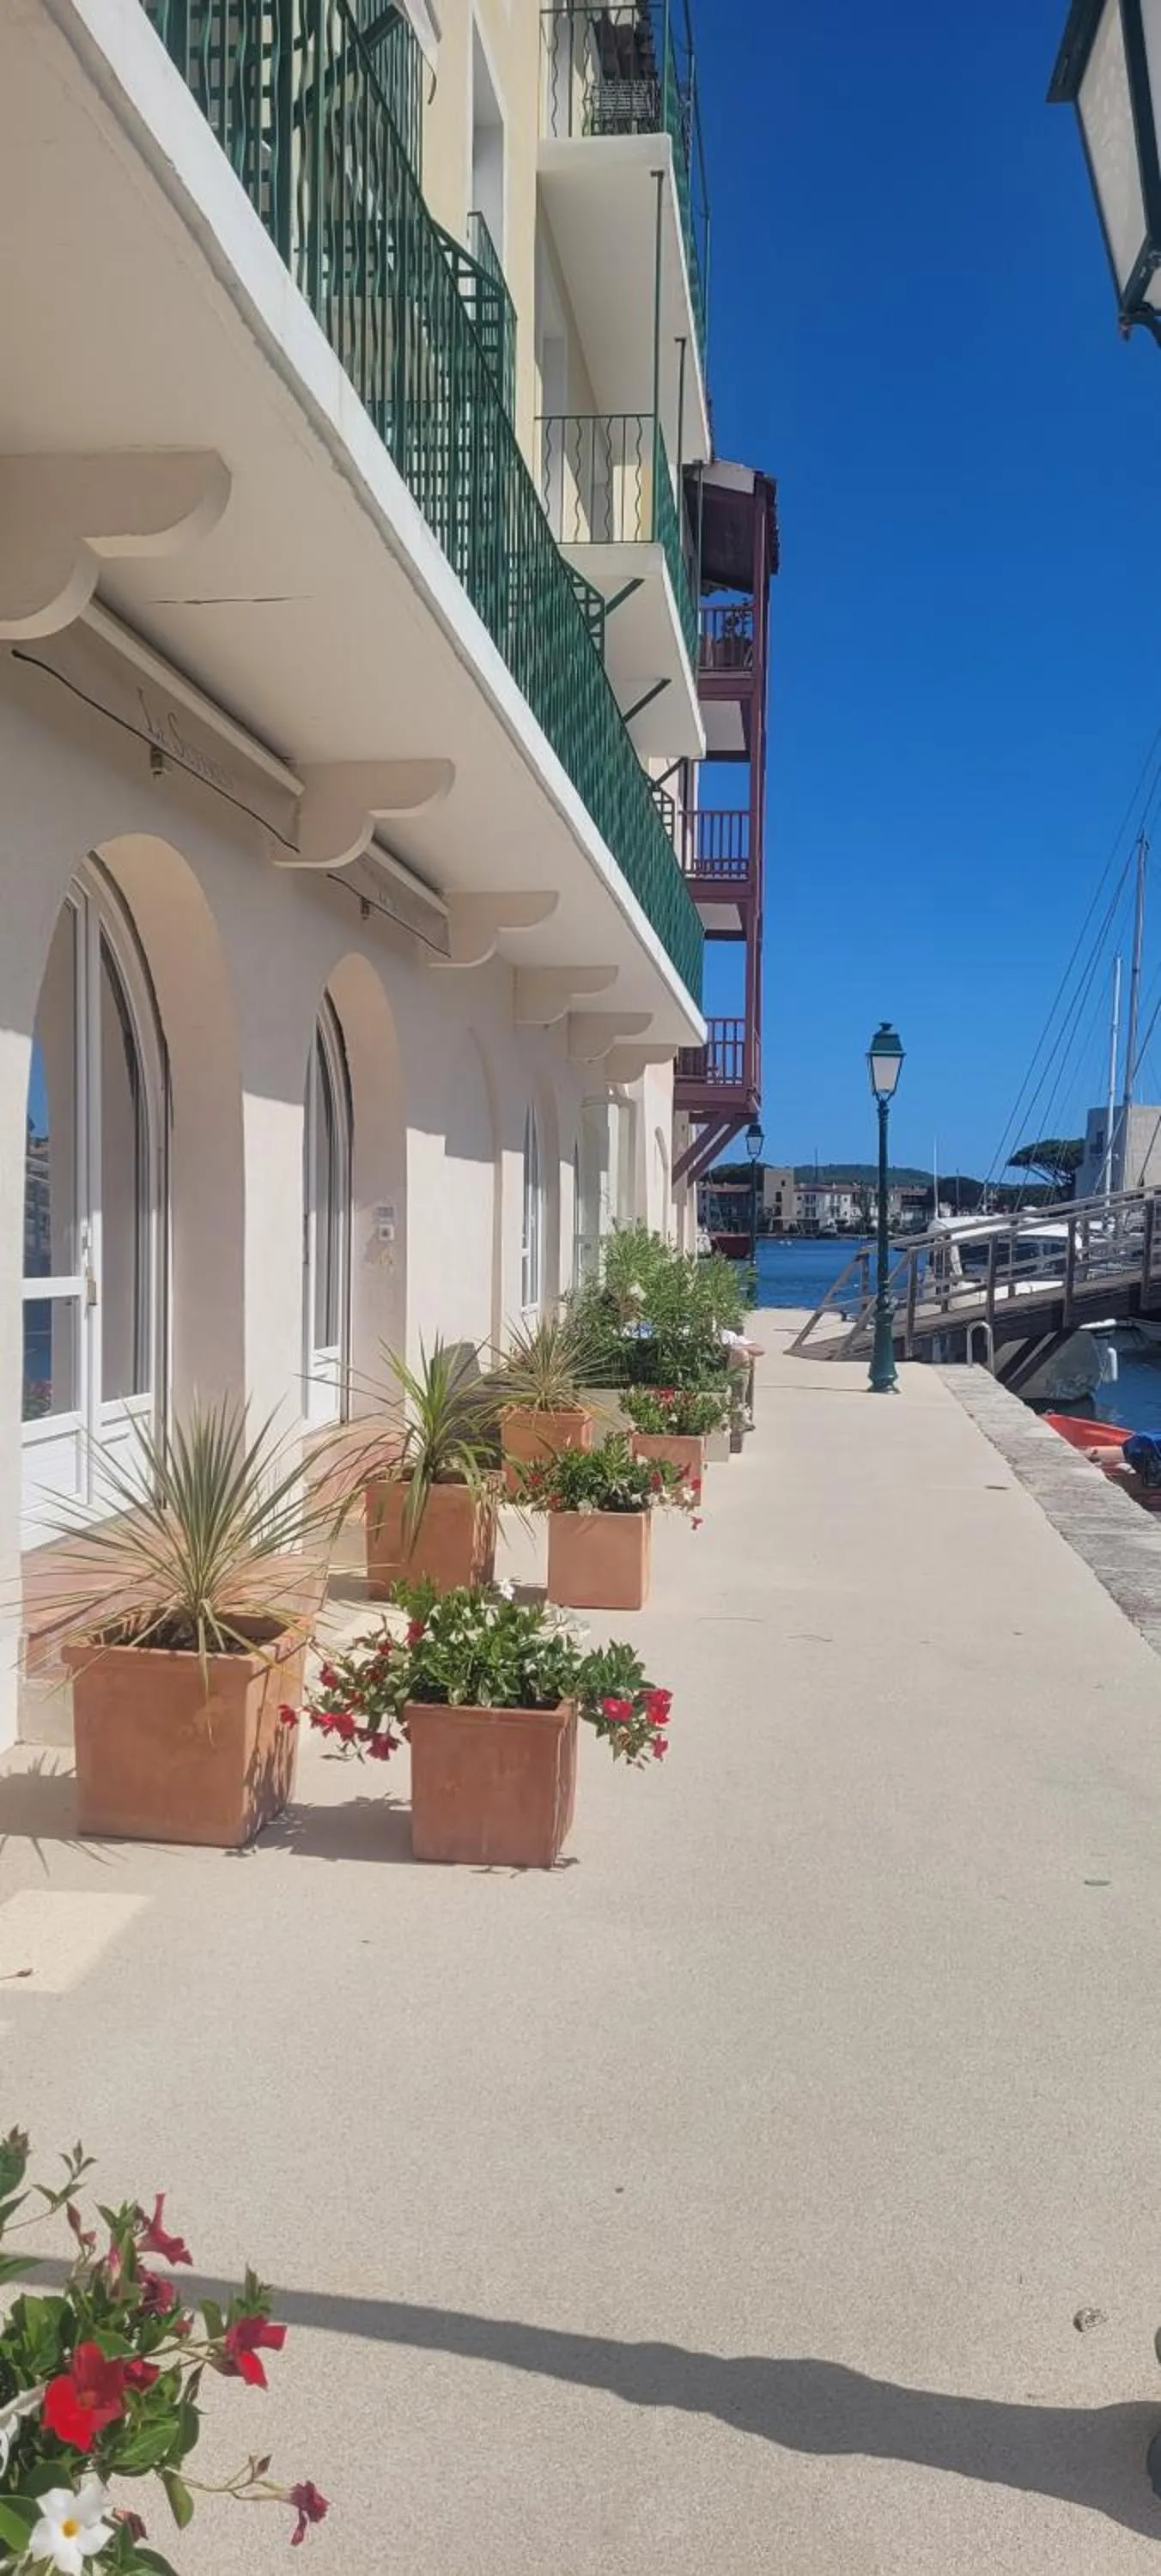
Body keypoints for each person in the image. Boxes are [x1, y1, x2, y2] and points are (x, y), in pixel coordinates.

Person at [721, 1324, 763, 1432]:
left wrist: (738, 1349)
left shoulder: (729, 1335)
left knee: (742, 1354)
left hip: (729, 1370)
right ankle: (737, 1413)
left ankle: (738, 1411)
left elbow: (760, 1349)